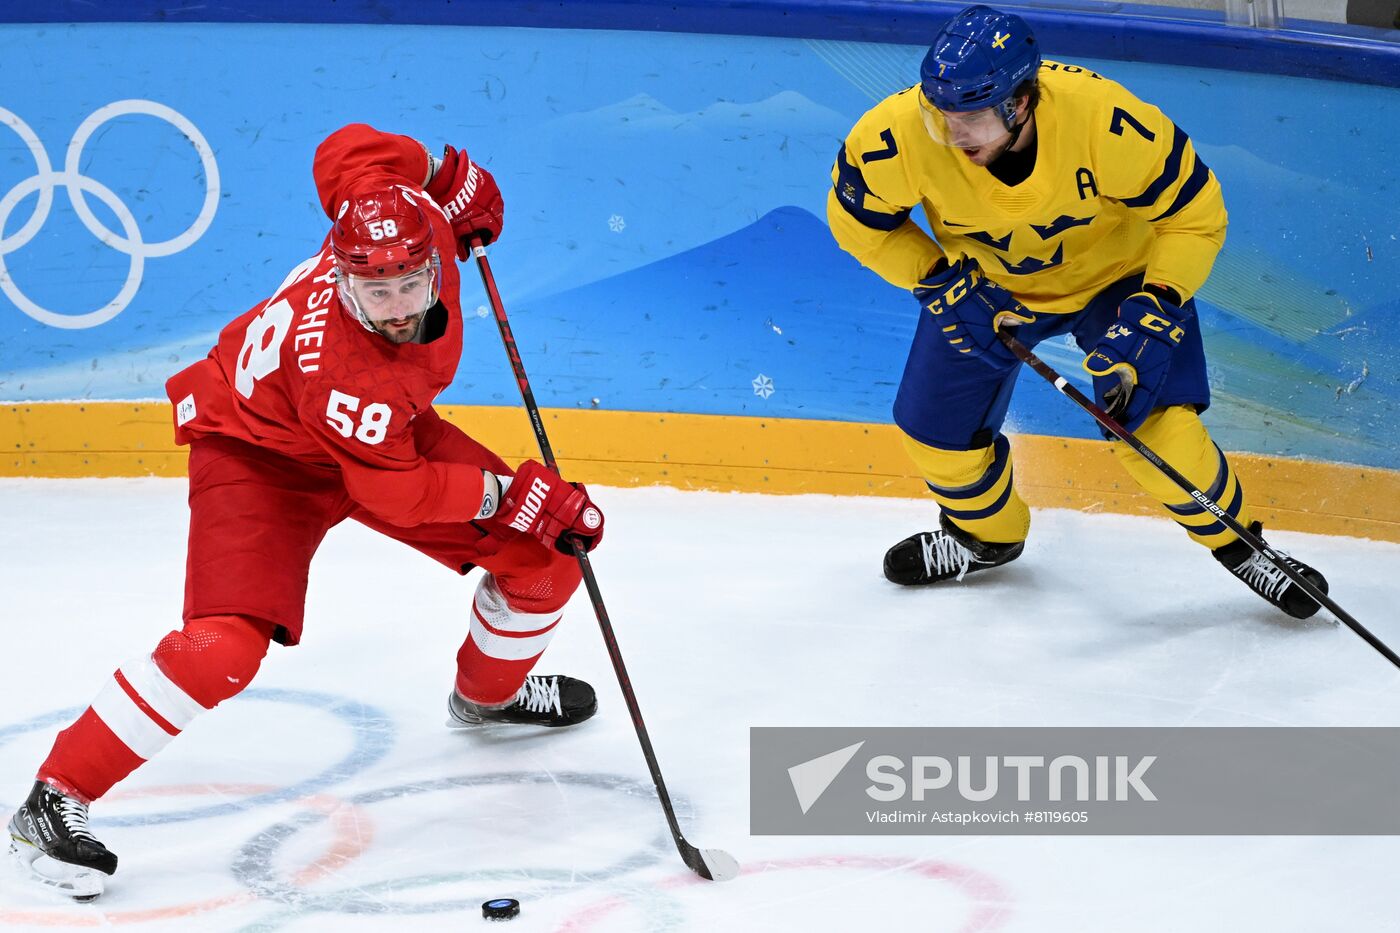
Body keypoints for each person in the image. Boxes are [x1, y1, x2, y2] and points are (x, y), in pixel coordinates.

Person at [6, 123, 606, 900]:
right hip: (260, 455)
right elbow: (400, 490)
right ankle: (53, 799)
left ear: (428, 250)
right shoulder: (345, 368)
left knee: (550, 558)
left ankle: (487, 695)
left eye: (408, 285)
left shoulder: (406, 215)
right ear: (346, 279)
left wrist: (443, 169)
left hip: (385, 434)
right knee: (222, 647)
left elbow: (346, 147)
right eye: (375, 292)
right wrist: (508, 495)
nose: (395, 307)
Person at [827, 6, 1328, 616]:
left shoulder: (1107, 122)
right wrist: (937, 280)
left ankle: (1245, 547)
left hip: (1117, 281)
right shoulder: (895, 135)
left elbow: (1195, 217)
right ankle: (986, 537)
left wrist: (1160, 301)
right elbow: (859, 226)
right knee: (933, 430)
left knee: (1156, 429)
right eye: (941, 116)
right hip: (984, 289)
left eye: (972, 118)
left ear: (1021, 102)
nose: (953, 136)